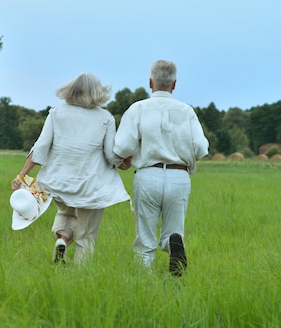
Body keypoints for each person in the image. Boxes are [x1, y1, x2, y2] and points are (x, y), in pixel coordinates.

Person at [12, 72, 130, 264]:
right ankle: (80, 274)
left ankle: (62, 239)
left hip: (59, 181)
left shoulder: (56, 113)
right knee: (87, 233)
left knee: (65, 213)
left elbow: (41, 146)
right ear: (97, 92)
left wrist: (22, 175)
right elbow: (111, 154)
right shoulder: (105, 117)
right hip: (92, 185)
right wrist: (125, 163)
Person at [114, 59, 209, 276]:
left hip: (147, 175)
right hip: (179, 176)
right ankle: (171, 244)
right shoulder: (187, 111)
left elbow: (121, 147)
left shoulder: (138, 109)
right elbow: (201, 147)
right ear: (174, 84)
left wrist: (124, 160)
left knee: (145, 240)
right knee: (174, 231)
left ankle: (145, 285)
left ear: (150, 82)